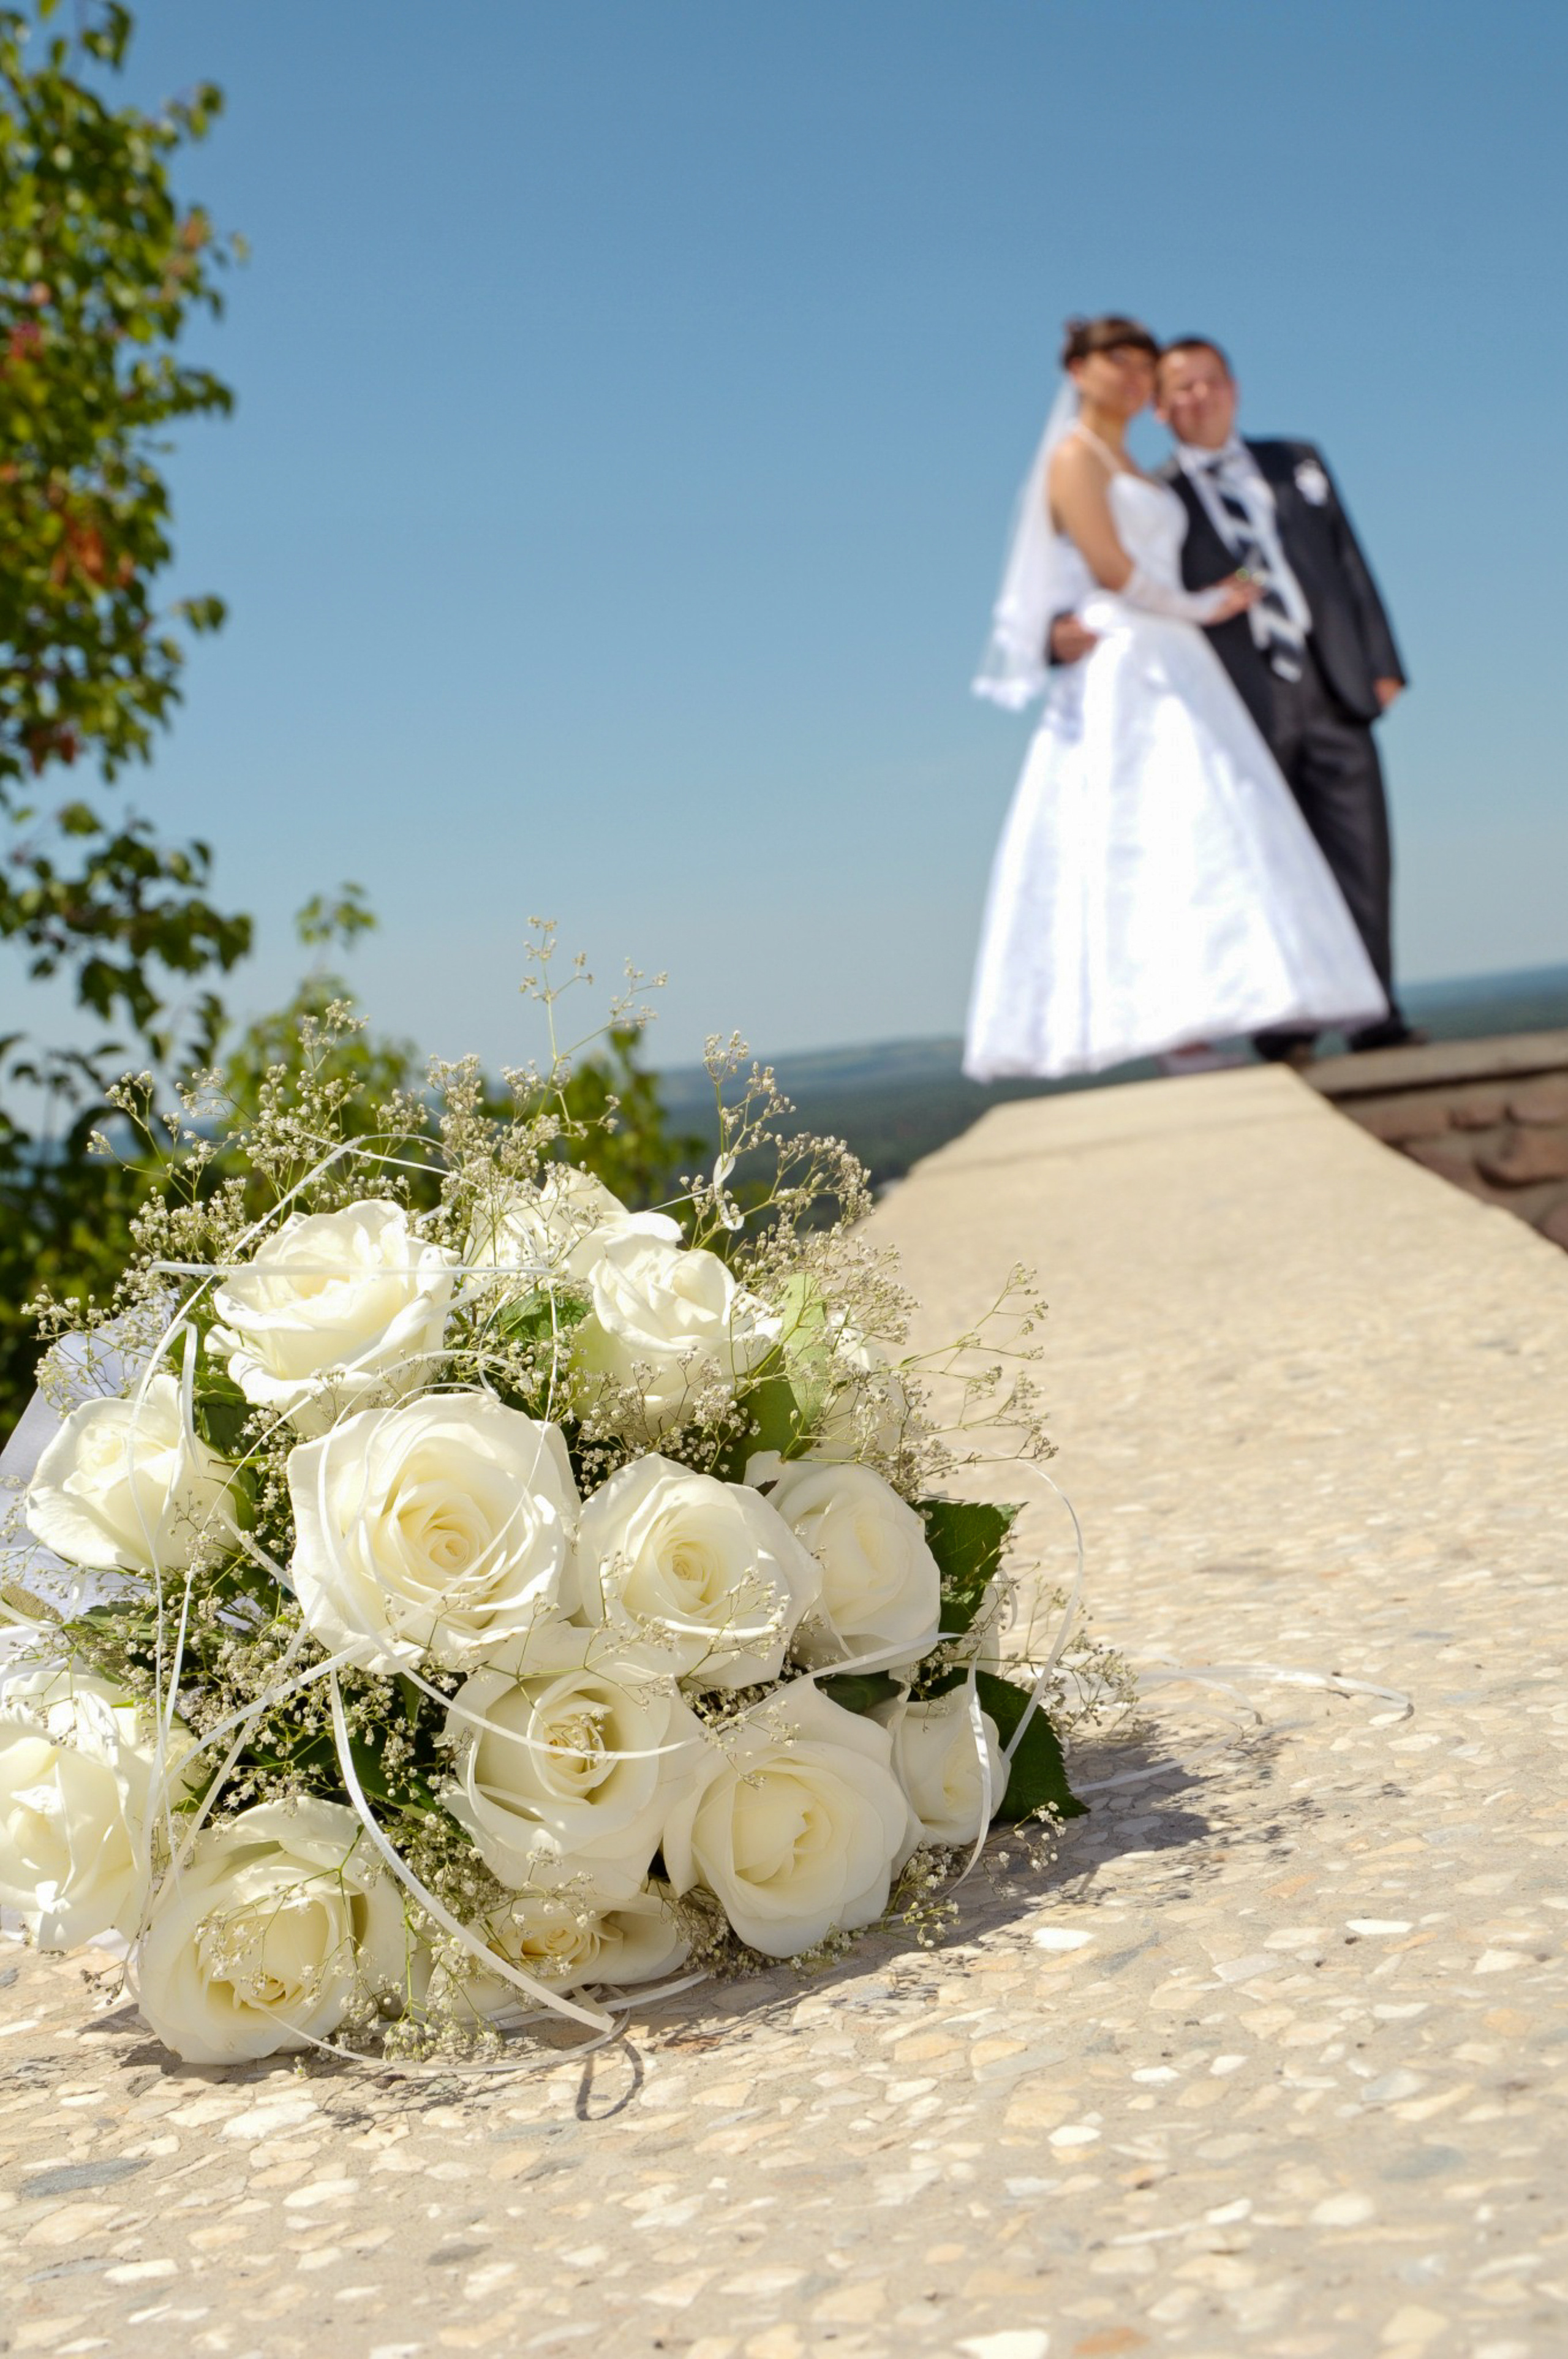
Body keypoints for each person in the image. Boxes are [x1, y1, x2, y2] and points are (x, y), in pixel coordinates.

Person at [965, 315, 1386, 1083]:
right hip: (1139, 660)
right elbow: (1099, 569)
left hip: (1207, 665)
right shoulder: (1081, 459)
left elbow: (1337, 562)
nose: (1131, 377)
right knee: (1144, 834)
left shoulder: (1161, 464)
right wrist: (1204, 605)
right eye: (1118, 364)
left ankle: (1280, 1008)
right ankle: (1186, 1023)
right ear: (1077, 371)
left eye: (1141, 367)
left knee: (1222, 835)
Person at [1147, 338, 1417, 1055]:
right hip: (1240, 702)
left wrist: (1381, 660)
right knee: (1264, 865)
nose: (1197, 398)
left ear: (1232, 388)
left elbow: (1347, 559)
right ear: (1157, 406)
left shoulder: (1297, 461)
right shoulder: (1154, 496)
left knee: (1361, 853)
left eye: (1207, 382)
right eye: (1179, 389)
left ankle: (1373, 1012)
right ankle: (1284, 1024)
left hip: (1333, 684)